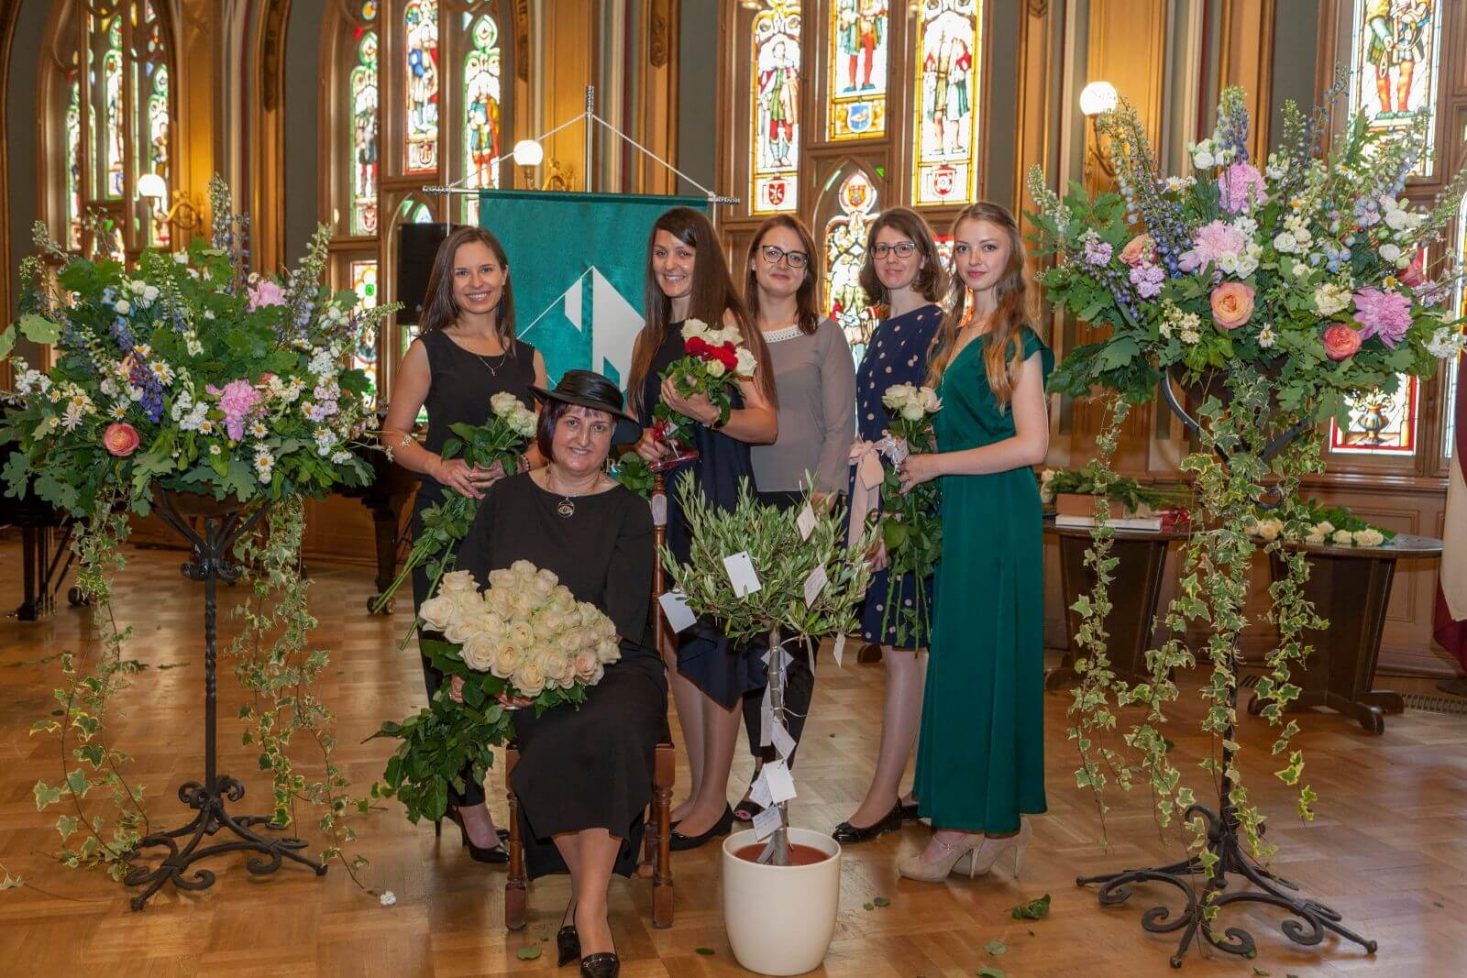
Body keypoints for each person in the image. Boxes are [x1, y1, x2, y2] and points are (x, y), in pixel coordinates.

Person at [455, 370, 659, 978]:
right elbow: (469, 585)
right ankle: (590, 904)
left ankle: (588, 912)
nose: (583, 437)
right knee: (552, 735)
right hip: (527, 667)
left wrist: (561, 668)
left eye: (599, 427)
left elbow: (623, 618)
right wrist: (479, 665)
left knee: (615, 728)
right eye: (572, 421)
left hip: (614, 662)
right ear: (549, 425)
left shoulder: (628, 510)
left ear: (612, 439)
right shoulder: (506, 498)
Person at [380, 225, 548, 862]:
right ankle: (468, 801)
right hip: (446, 525)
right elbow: (394, 435)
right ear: (447, 283)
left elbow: (546, 444)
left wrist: (519, 464)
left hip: (511, 528)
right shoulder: (428, 351)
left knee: (508, 657)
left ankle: (521, 794)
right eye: (463, 272)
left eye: (486, 270)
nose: (476, 283)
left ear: (505, 276)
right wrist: (439, 466)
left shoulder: (529, 359)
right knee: (452, 664)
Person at [895, 202, 1051, 881]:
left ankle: (959, 826)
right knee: (965, 660)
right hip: (959, 508)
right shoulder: (958, 331)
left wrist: (935, 464)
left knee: (972, 663)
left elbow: (1032, 445)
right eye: (963, 247)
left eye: (988, 246)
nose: (975, 259)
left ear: (1011, 255)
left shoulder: (1017, 339)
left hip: (995, 513)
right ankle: (994, 819)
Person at [627, 207, 778, 850]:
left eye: (683, 254)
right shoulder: (650, 337)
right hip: (673, 512)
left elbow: (765, 423)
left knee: (720, 650)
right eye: (661, 253)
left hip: (722, 510)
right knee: (679, 646)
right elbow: (646, 424)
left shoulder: (728, 324)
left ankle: (715, 797)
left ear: (705, 258)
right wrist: (641, 444)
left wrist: (708, 412)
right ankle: (696, 791)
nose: (671, 265)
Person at [833, 206, 946, 845]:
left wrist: (892, 511)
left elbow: (930, 427)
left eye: (903, 247)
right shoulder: (882, 329)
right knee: (905, 650)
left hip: (909, 500)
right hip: (878, 488)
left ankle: (882, 797)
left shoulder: (936, 326)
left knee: (905, 649)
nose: (892, 258)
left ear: (925, 256)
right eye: (881, 249)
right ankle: (916, 786)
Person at [736, 214, 855, 821]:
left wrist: (822, 501)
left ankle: (773, 774)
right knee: (750, 647)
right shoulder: (727, 337)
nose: (782, 265)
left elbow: (841, 426)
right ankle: (760, 764)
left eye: (796, 257)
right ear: (753, 261)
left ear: (808, 271)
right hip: (739, 509)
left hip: (807, 506)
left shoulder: (824, 336)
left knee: (794, 646)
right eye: (772, 253)